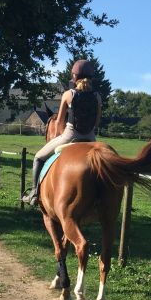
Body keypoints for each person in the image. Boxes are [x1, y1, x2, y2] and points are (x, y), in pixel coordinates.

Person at [21, 59, 102, 206]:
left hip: (70, 137)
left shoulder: (68, 94)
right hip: (91, 139)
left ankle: (34, 194)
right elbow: (97, 122)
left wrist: (59, 135)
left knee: (38, 158)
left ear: (74, 76)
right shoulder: (97, 97)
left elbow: (59, 122)